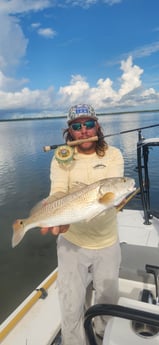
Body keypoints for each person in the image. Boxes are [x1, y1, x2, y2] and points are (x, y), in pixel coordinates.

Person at [41, 104, 124, 345]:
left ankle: (103, 333)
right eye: (77, 126)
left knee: (108, 298)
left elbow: (113, 195)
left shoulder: (114, 154)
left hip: (106, 240)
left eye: (89, 124)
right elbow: (57, 192)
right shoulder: (62, 158)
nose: (84, 131)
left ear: (97, 125)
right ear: (70, 131)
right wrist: (56, 216)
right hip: (72, 242)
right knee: (70, 300)